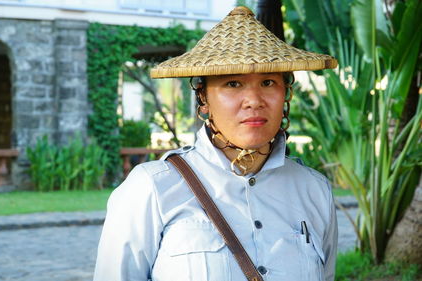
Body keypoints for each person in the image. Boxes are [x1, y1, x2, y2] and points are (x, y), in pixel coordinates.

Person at [93, 6, 338, 281]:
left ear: (286, 94)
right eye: (233, 84)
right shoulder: (152, 188)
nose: (254, 100)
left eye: (268, 82)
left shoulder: (314, 191)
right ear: (204, 100)